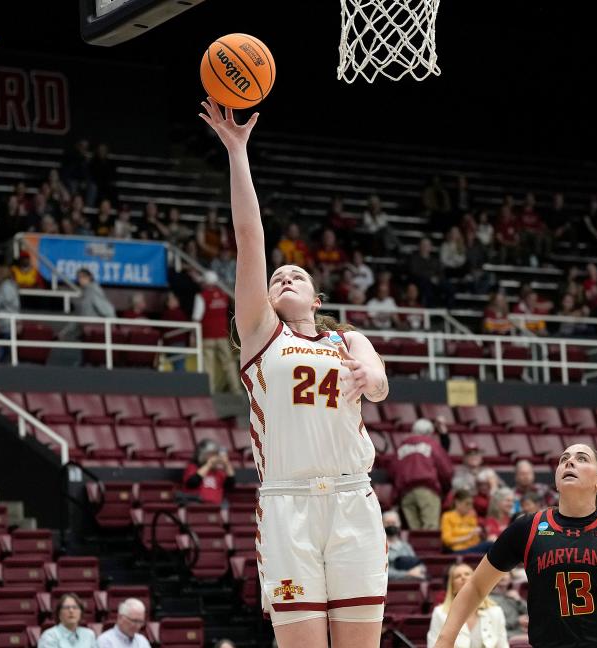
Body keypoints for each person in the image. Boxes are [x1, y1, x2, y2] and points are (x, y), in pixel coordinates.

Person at [201, 98, 390, 647]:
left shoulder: (346, 337)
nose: (284, 276)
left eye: (296, 274)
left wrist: (372, 380)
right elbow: (249, 236)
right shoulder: (261, 332)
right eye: (277, 275)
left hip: (354, 499)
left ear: (316, 295)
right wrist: (237, 152)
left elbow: (377, 383)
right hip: (288, 505)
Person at [431, 443, 597, 648]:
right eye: (564, 459)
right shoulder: (528, 527)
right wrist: (445, 639)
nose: (570, 461)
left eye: (581, 458)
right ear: (556, 481)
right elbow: (476, 586)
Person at [428, 563, 508, 648]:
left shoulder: (495, 611)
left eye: (467, 574)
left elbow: (503, 645)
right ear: (452, 587)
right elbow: (433, 645)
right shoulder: (440, 613)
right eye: (458, 576)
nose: (463, 577)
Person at [394, 418, 453, 531]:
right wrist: (446, 489)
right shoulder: (431, 444)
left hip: (406, 494)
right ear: (429, 432)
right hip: (427, 491)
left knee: (414, 534)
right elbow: (446, 470)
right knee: (429, 532)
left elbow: (392, 470)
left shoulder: (401, 446)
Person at [191, 271, 241, 394]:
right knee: (229, 363)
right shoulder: (224, 296)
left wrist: (193, 335)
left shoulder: (201, 296)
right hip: (222, 336)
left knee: (209, 364)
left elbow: (196, 317)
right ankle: (236, 389)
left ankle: (210, 390)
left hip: (207, 336)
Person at [182, 439, 235, 505]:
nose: (215, 457)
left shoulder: (219, 472)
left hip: (216, 506)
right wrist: (209, 464)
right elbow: (192, 482)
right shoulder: (193, 467)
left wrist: (226, 464)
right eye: (212, 454)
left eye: (216, 454)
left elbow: (231, 483)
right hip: (196, 505)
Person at [383, 510, 426, 581]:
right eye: (388, 523)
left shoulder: (406, 546)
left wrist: (419, 570)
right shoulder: (378, 548)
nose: (391, 525)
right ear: (382, 525)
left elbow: (418, 565)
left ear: (399, 524)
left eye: (393, 523)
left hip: (408, 585)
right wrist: (407, 574)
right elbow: (382, 572)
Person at [0, 265, 20, 363]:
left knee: (5, 352)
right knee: (6, 351)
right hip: (8, 323)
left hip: (7, 324)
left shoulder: (6, 287)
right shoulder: (11, 285)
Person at [488, 572, 529, 637]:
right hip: (503, 634)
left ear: (510, 578)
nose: (503, 576)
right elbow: (492, 623)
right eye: (499, 574)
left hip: (520, 632)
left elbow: (530, 612)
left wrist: (519, 600)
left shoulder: (513, 596)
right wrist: (517, 621)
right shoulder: (489, 599)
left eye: (506, 574)